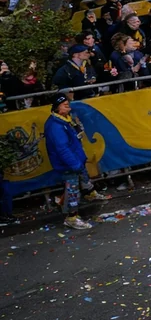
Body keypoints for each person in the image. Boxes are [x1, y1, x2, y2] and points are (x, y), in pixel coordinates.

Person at [45, 95, 107, 230]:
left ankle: (90, 194)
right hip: (69, 163)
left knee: (84, 178)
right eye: (64, 104)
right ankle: (71, 217)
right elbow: (62, 149)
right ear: (56, 108)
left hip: (76, 159)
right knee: (72, 189)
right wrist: (74, 164)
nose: (67, 106)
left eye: (68, 103)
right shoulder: (55, 126)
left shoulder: (66, 120)